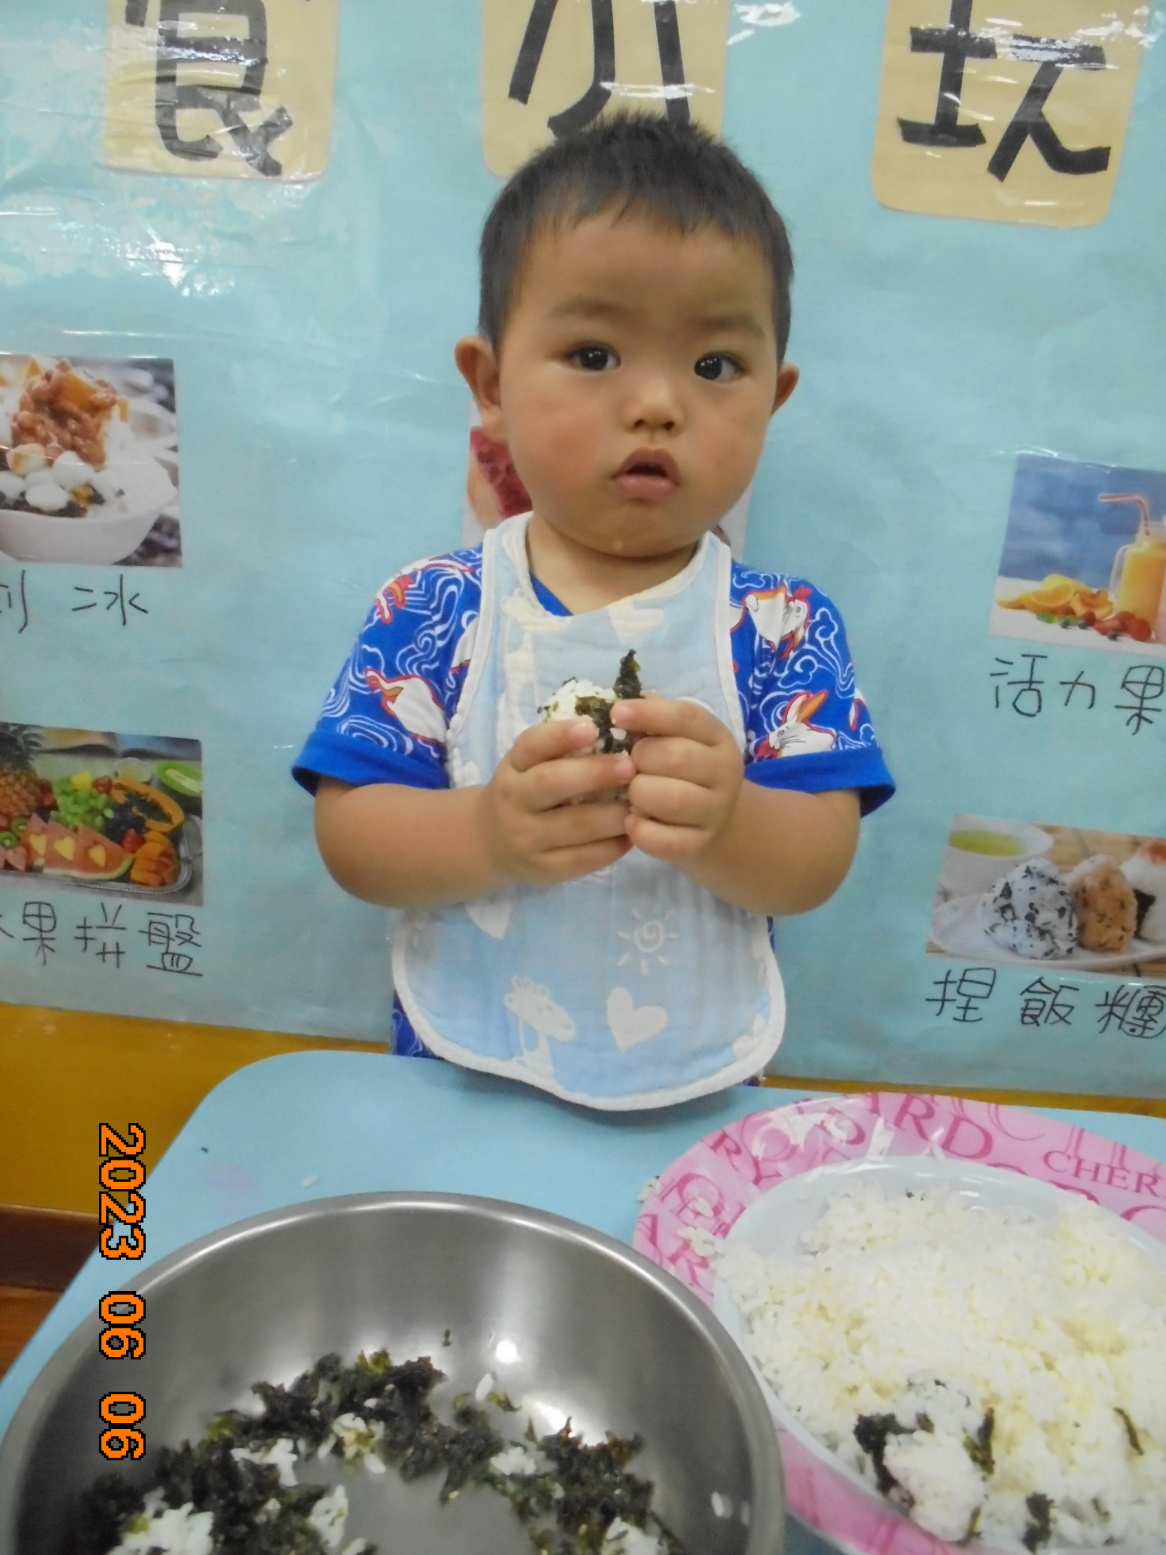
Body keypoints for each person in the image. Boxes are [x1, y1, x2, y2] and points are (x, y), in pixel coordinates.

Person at [294, 115, 894, 1108]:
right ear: (490, 386)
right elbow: (350, 835)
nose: (657, 403)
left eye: (714, 366)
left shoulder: (783, 624)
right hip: (458, 1078)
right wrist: (486, 835)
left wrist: (730, 821)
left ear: (774, 398)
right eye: (592, 352)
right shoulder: (432, 605)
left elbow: (815, 863)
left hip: (696, 1087)